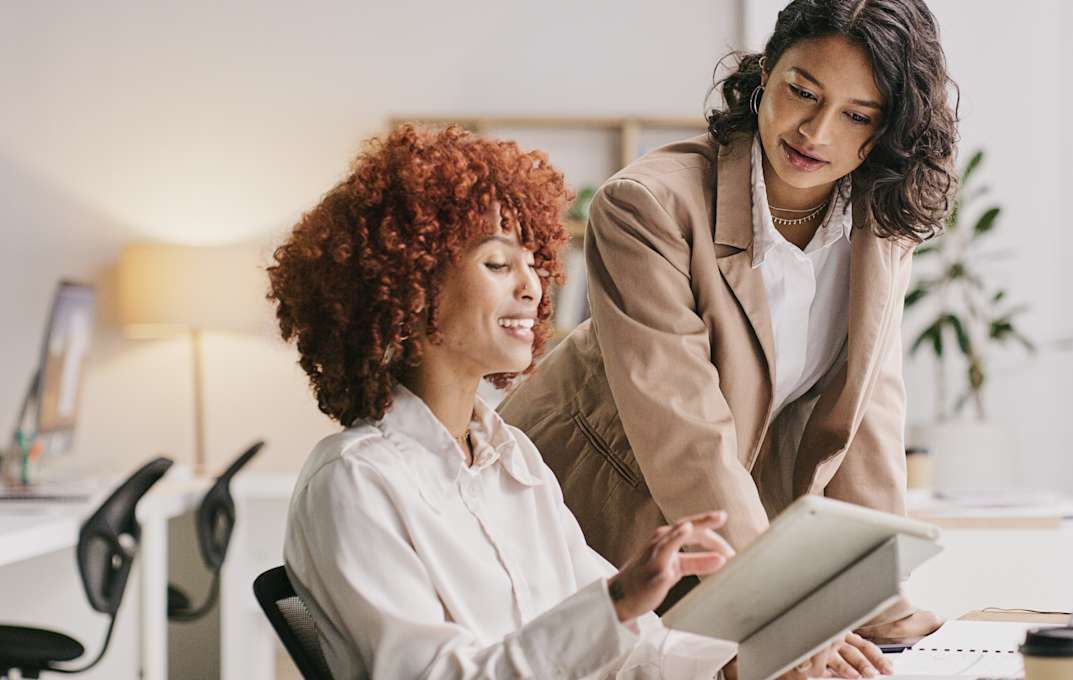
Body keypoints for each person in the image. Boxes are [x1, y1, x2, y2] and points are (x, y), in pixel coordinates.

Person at [499, 0, 958, 648]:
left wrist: (878, 601)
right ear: (766, 71)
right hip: (589, 510)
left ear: (888, 129)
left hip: (714, 525)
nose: (816, 132)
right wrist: (786, 612)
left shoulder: (878, 223)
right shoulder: (649, 206)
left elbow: (866, 415)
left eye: (857, 115)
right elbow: (685, 430)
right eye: (803, 92)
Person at [267, 125, 747, 679]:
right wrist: (616, 604)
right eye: (498, 264)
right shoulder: (355, 479)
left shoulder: (512, 457)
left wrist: (769, 656)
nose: (534, 286)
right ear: (408, 285)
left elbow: (632, 652)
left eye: (535, 261)